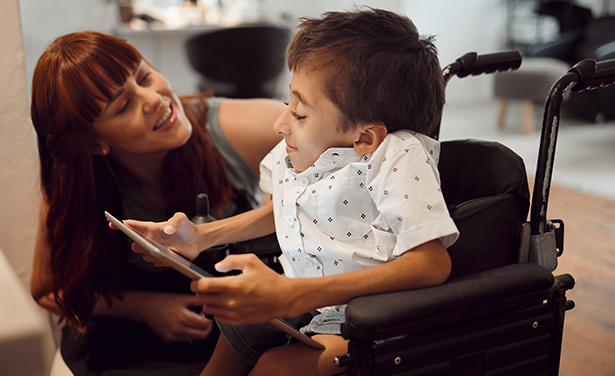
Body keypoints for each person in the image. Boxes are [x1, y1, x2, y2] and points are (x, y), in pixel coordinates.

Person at [126, 8, 459, 376]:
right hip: (298, 296)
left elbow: (431, 262)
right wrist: (200, 236)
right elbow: (280, 209)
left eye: (300, 114)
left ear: (365, 137)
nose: (280, 123)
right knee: (231, 339)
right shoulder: (297, 150)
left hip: (368, 312)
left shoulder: (397, 155)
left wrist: (295, 295)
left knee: (275, 366)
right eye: (289, 103)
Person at [29, 31, 284, 375]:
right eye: (124, 105)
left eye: (144, 76)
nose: (154, 99)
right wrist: (143, 307)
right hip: (127, 337)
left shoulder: (243, 128)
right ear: (95, 144)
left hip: (234, 326)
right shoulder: (75, 185)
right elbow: (48, 289)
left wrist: (280, 193)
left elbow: (341, 138)